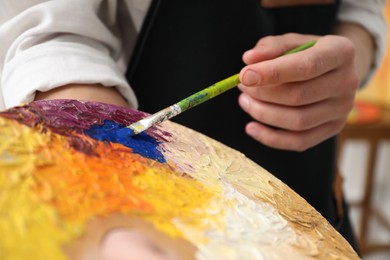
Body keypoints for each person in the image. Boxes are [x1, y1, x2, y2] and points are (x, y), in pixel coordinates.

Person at [0, 0, 387, 253]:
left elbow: (361, 11)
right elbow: (47, 35)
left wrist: (346, 60)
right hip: (140, 216)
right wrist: (118, 206)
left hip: (303, 214)